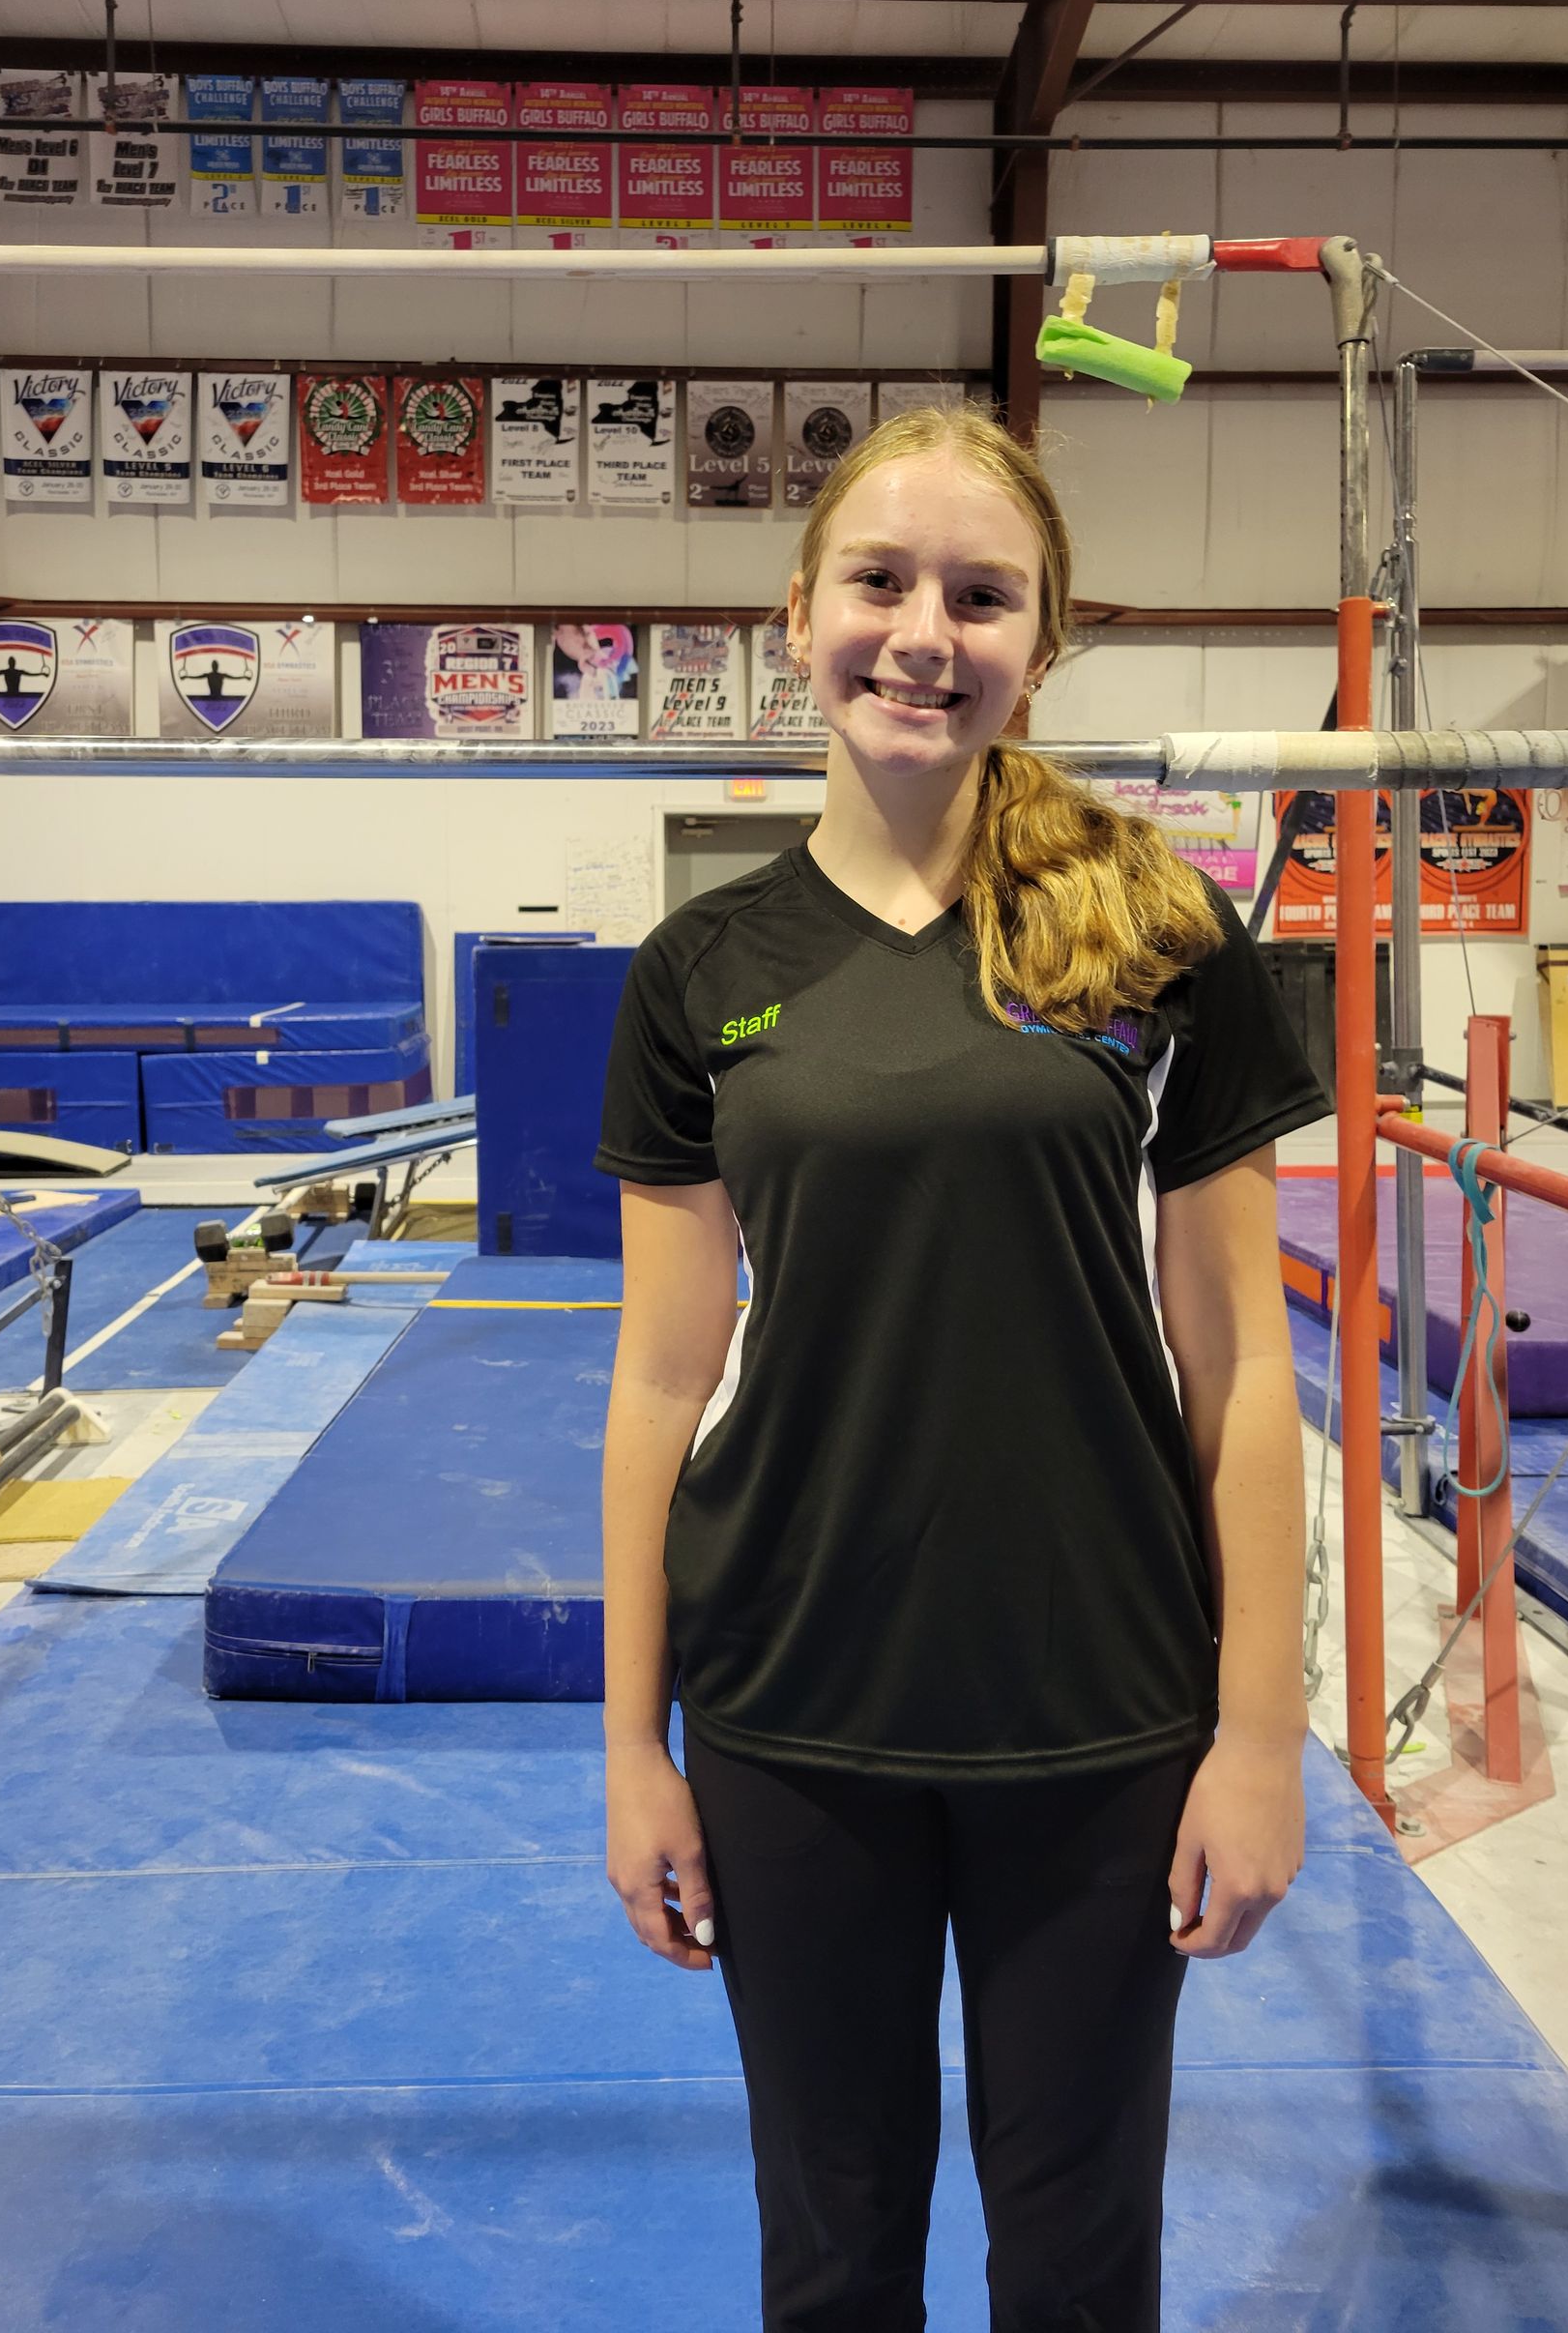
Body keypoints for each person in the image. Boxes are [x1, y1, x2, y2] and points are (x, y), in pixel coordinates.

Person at [594, 403, 1329, 2330]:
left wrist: (1259, 1735)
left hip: (1098, 1709)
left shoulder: (1158, 936)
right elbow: (662, 1384)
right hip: (793, 1705)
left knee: (1082, 2248)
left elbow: (1244, 1354)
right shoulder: (703, 967)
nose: (925, 631)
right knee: (831, 2243)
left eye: (981, 594)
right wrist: (626, 1747)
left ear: (1043, 636)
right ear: (798, 610)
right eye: (882, 581)